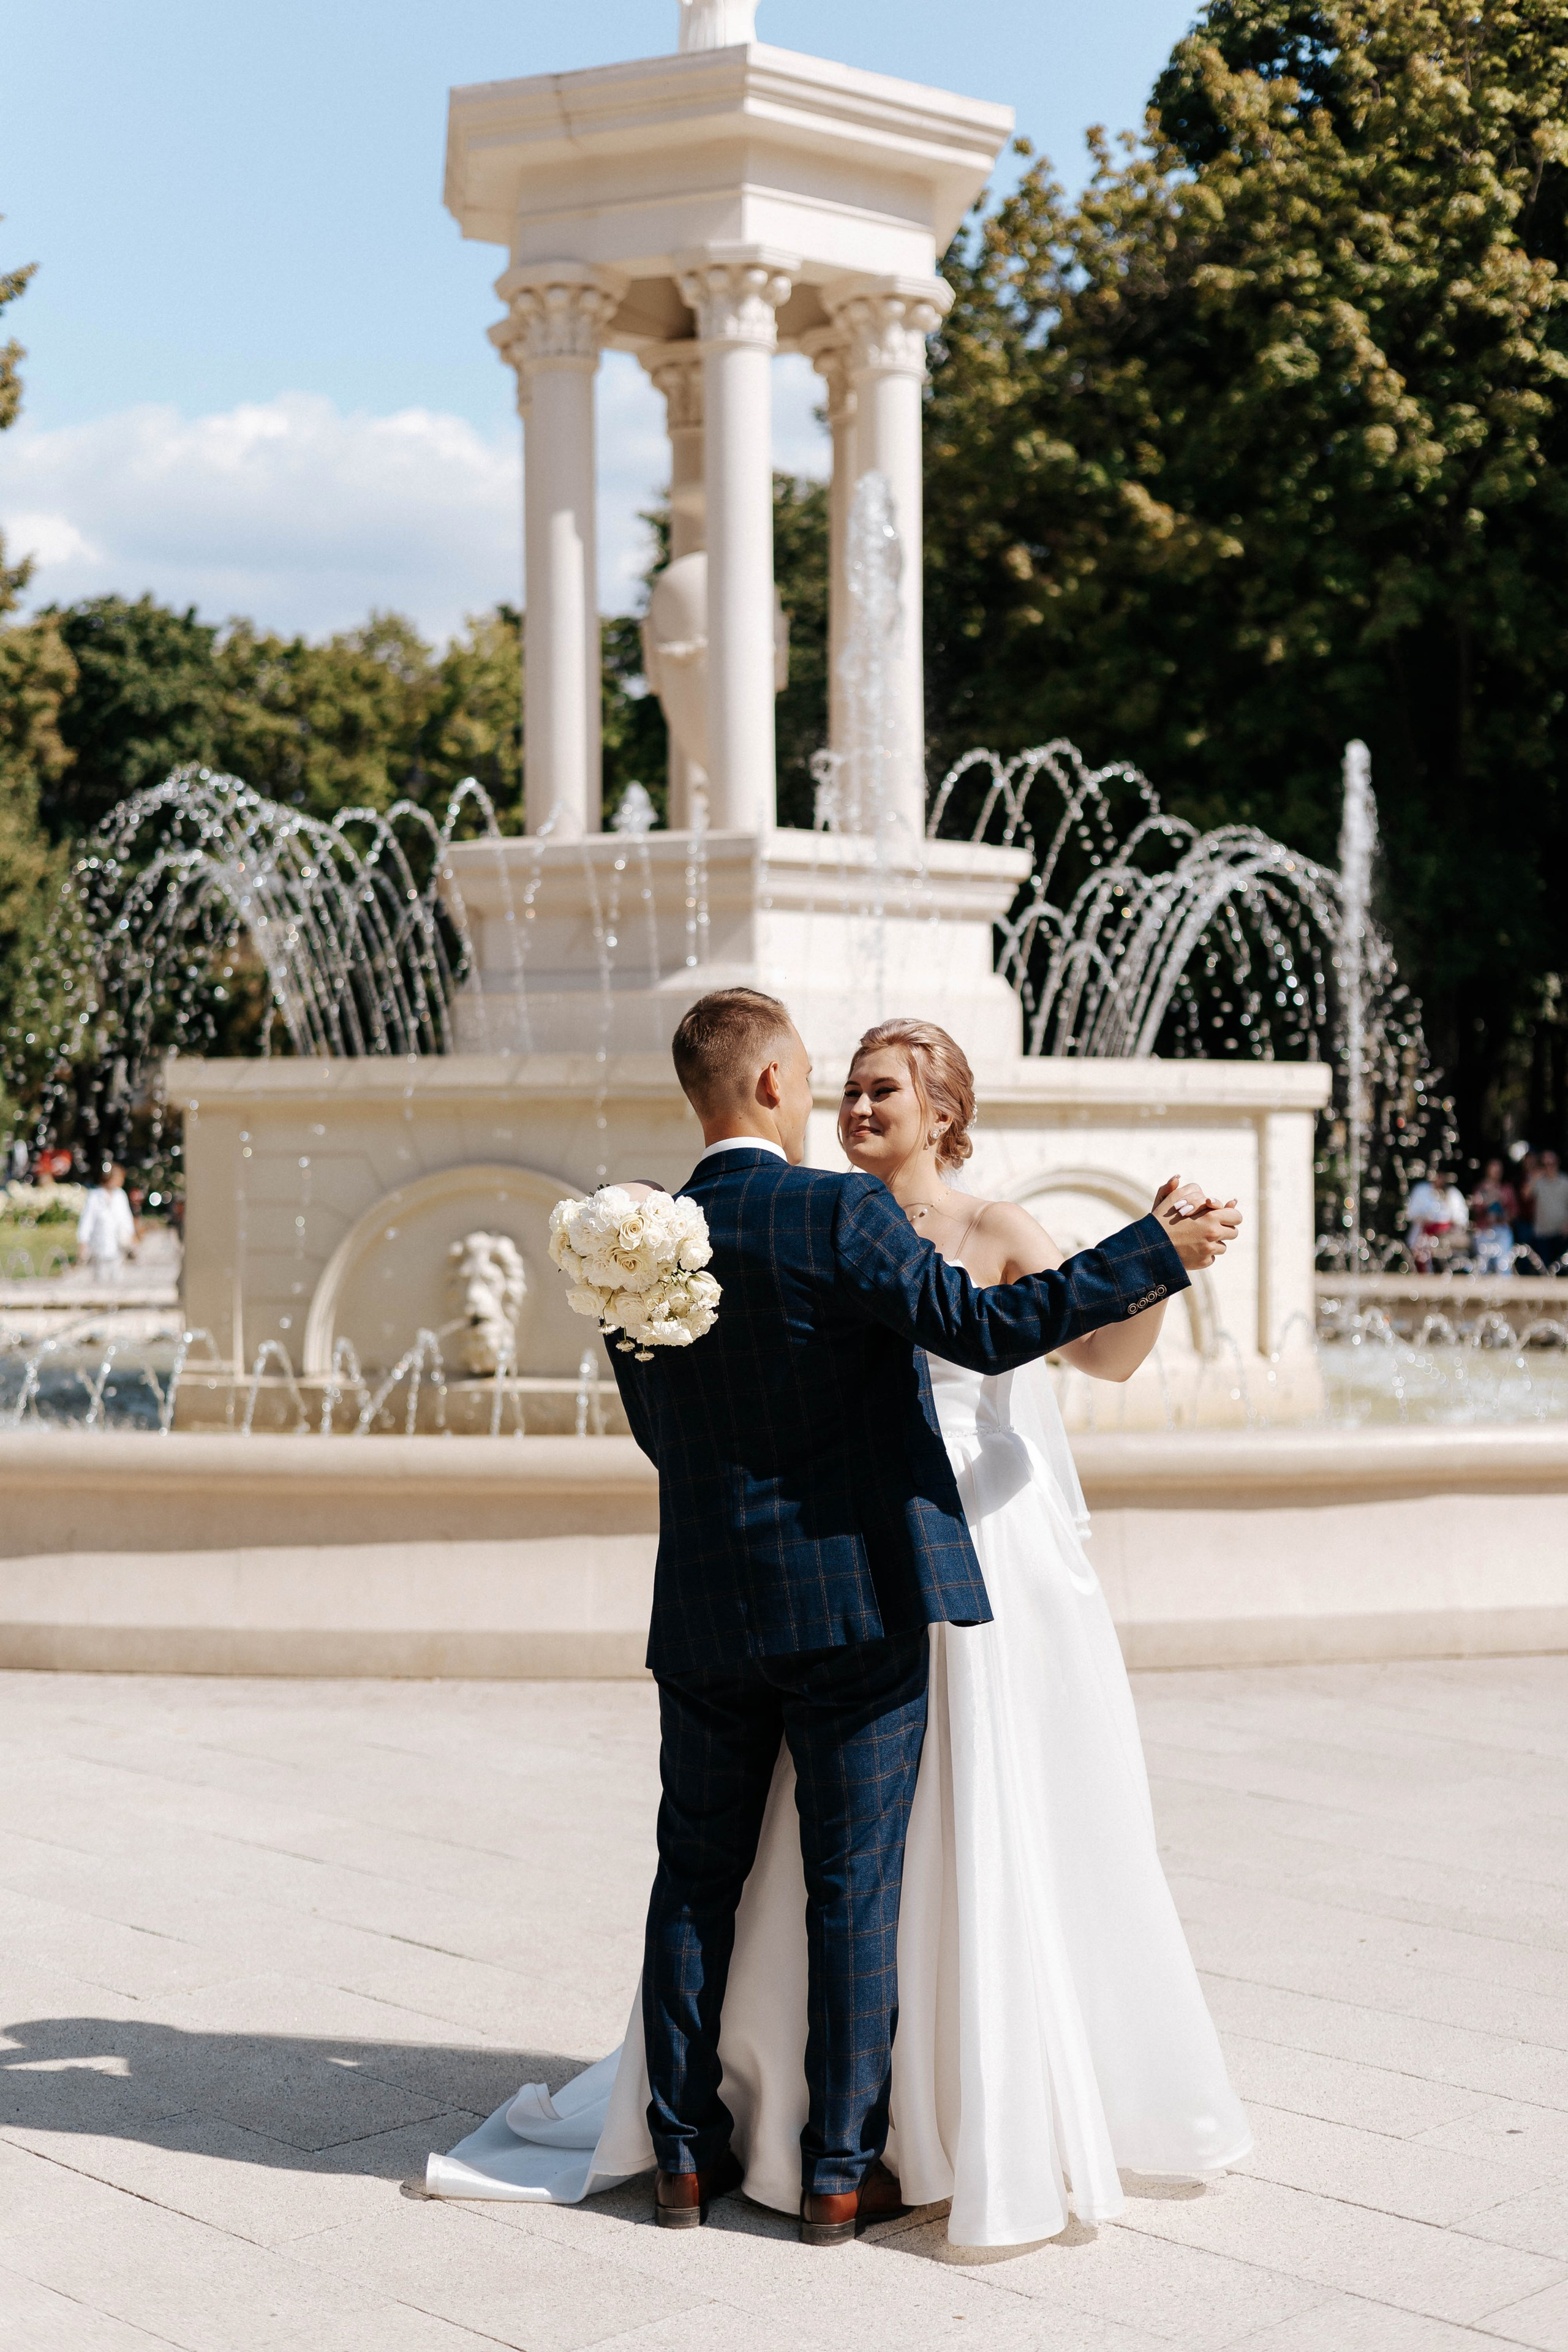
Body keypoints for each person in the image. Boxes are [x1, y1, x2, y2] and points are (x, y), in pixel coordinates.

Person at [428, 994, 1246, 2246]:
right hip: (856, 1597)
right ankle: (834, 2174)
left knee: (695, 1879)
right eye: (821, 1076)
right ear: (771, 1083)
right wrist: (1151, 1250)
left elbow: (660, 1431)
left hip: (707, 1603)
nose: (835, 1099)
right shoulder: (836, 1212)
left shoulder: (633, 1234)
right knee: (851, 1889)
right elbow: (984, 1330)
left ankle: (683, 2159)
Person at [75, 1163, 136, 1285]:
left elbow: (126, 1218)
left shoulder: (120, 1195)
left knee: (118, 1278)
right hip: (99, 1244)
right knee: (100, 1278)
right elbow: (87, 1220)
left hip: (118, 1245)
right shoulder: (95, 1196)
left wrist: (132, 1236)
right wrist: (83, 1241)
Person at [1405, 1166, 1468, 1273]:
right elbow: (1411, 1213)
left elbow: (1462, 1218)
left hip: (1447, 1235)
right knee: (1422, 1249)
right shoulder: (1421, 1190)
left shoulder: (1453, 1194)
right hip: (1424, 1232)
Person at [1470, 1158, 1519, 1275]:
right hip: (1484, 1230)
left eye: (1499, 1169)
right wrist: (1487, 1200)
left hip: (1502, 1230)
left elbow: (1514, 1212)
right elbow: (1475, 1210)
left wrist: (1502, 1200)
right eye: (1494, 1169)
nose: (1497, 1172)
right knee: (1483, 1268)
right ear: (1488, 1170)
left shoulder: (1507, 1189)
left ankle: (1505, 1287)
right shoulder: (1480, 1189)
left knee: (1503, 1267)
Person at [1525, 1148, 1568, 1273]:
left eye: (1551, 1164)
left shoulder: (1565, 1182)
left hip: (1561, 1233)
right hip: (1542, 1233)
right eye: (1544, 1164)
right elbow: (1526, 1195)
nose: (1548, 1167)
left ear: (1557, 1163)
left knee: (1561, 1272)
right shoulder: (1538, 1182)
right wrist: (1535, 1177)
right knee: (1544, 1271)